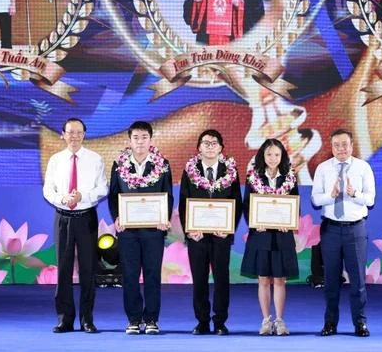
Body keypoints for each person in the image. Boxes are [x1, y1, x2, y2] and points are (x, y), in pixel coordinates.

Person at [42, 118, 108, 334]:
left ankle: (87, 319)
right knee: (64, 269)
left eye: (79, 132)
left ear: (84, 134)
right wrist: (63, 199)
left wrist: (83, 196)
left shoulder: (95, 159)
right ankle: (64, 319)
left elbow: (103, 189)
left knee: (88, 270)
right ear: (62, 134)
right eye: (70, 132)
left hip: (86, 217)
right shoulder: (55, 160)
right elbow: (48, 190)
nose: (74, 136)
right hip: (63, 218)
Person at [109, 121, 173, 335]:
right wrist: (117, 217)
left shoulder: (162, 164)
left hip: (154, 230)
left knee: (153, 274)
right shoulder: (119, 164)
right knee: (130, 275)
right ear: (129, 140)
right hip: (128, 230)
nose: (140, 141)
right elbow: (113, 195)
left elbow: (168, 195)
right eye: (136, 137)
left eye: (144, 137)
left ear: (150, 139)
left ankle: (152, 319)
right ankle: (134, 319)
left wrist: (164, 218)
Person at [311, 128, 376, 338]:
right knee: (331, 280)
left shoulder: (363, 167)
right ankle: (330, 323)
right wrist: (331, 195)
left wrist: (353, 193)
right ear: (331, 147)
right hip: (330, 229)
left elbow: (371, 200)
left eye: (345, 144)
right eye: (336, 145)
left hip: (355, 229)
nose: (341, 149)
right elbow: (315, 200)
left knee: (357, 281)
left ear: (352, 145)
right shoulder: (322, 168)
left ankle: (360, 323)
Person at [179, 129, 243, 335]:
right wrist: (189, 230)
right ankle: (202, 321)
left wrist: (229, 228)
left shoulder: (230, 171)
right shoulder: (189, 170)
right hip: (197, 236)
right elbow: (183, 203)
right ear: (198, 148)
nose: (209, 146)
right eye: (205, 143)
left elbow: (237, 203)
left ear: (221, 148)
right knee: (199, 278)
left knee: (222, 278)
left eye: (214, 143)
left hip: (220, 236)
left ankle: (220, 321)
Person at [241, 139, 299, 336]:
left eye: (276, 155)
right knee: (264, 279)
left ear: (282, 156)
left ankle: (280, 321)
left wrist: (290, 221)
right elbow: (247, 205)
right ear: (262, 156)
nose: (273, 159)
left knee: (280, 279)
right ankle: (266, 320)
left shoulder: (290, 177)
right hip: (261, 235)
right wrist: (256, 221)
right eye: (269, 155)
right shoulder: (254, 177)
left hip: (282, 235)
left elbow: (295, 205)